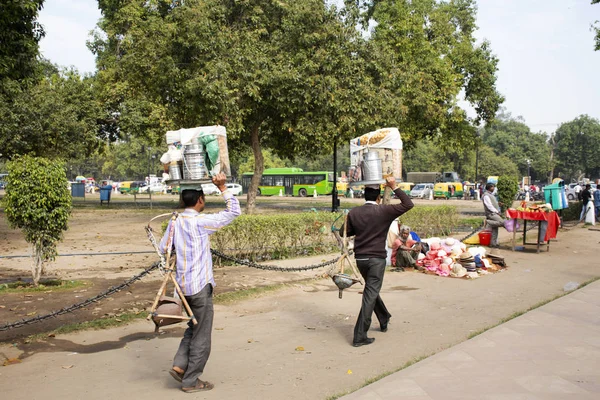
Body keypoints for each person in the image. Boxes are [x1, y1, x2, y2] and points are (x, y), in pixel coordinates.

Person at [159, 172, 241, 393]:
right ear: (200, 201)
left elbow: (163, 248)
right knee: (202, 334)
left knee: (192, 327)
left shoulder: (174, 222)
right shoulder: (201, 222)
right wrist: (223, 187)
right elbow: (234, 211)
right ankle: (192, 381)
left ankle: (179, 365)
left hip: (182, 287)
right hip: (200, 287)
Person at [341, 176, 414, 347]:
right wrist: (394, 187)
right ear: (378, 198)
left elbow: (346, 232)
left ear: (364, 196)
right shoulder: (384, 210)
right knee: (370, 293)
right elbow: (408, 204)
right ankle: (359, 336)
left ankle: (383, 317)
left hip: (361, 259)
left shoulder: (354, 212)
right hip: (376, 260)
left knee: (371, 291)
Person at [482, 183, 504, 248]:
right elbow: (489, 205)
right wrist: (496, 211)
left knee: (495, 229)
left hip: (494, 212)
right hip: (491, 214)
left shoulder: (491, 195)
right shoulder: (486, 195)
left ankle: (493, 243)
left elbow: (492, 204)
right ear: (489, 187)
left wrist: (498, 204)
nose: (493, 188)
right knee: (502, 222)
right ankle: (487, 222)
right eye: (493, 187)